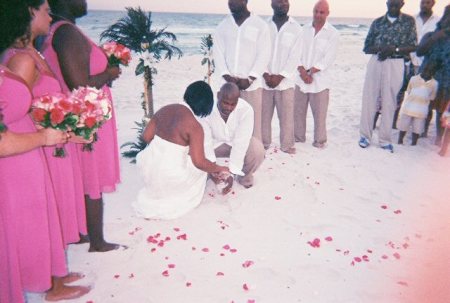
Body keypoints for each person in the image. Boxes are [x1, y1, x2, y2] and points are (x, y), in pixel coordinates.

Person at [2, 0, 89, 248]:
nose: (50, 17)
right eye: (45, 11)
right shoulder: (22, 61)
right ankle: (51, 280)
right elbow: (16, 110)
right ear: (30, 12)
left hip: (50, 141)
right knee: (40, 213)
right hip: (38, 146)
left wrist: (72, 128)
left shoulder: (33, 53)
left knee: (52, 211)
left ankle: (56, 273)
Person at [42, 0, 122, 252]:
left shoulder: (59, 30)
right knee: (91, 175)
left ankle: (81, 232)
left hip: (78, 115)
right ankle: (96, 241)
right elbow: (79, 83)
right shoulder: (66, 32)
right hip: (85, 117)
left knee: (83, 175)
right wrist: (109, 73)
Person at [133, 81, 229, 219]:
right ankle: (173, 196)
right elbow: (199, 162)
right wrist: (219, 168)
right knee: (201, 169)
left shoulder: (164, 109)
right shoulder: (194, 126)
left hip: (147, 168)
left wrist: (165, 147)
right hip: (170, 177)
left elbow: (146, 137)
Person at [358, 0, 416, 153]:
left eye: (397, 3)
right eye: (391, 3)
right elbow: (366, 47)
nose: (394, 5)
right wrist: (380, 48)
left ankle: (384, 140)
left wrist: (394, 49)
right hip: (376, 61)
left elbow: (413, 45)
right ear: (387, 3)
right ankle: (365, 136)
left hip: (396, 63)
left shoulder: (409, 21)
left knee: (390, 101)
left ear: (402, 4)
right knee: (369, 98)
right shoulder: (377, 22)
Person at [213, 0, 271, 141]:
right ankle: (229, 147)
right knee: (225, 119)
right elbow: (218, 53)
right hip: (226, 83)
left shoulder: (260, 25)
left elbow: (264, 53)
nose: (231, 2)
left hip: (251, 85)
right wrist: (227, 76)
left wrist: (250, 78)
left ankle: (253, 150)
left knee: (252, 121)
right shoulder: (223, 26)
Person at [201, 82, 265, 190]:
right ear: (218, 96)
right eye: (225, 103)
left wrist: (231, 172)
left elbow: (241, 141)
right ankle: (207, 176)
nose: (229, 108)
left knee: (257, 149)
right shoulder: (207, 108)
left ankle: (243, 177)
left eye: (233, 104)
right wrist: (213, 169)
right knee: (193, 148)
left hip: (234, 143)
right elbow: (205, 141)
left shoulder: (246, 109)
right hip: (214, 144)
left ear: (238, 100)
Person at [293, 0, 339, 149]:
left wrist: (311, 72)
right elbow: (296, 53)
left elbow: (328, 58)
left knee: (319, 115)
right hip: (301, 78)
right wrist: (302, 72)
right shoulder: (303, 30)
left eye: (321, 12)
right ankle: (299, 138)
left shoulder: (333, 33)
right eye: (316, 11)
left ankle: (319, 141)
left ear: (327, 14)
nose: (318, 15)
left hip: (320, 80)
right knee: (298, 112)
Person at [261, 0, 301, 154]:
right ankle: (264, 143)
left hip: (285, 82)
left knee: (286, 117)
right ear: (272, 4)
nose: (284, 3)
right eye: (280, 1)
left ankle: (287, 145)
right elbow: (260, 51)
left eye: (286, 1)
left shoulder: (296, 28)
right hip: (265, 81)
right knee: (264, 116)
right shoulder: (264, 26)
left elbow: (295, 56)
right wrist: (265, 73)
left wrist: (280, 76)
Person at [416, 5, 450, 147]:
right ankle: (422, 131)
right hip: (429, 74)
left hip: (446, 77)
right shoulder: (432, 34)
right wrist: (435, 37)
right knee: (426, 105)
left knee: (442, 108)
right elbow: (419, 52)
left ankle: (438, 136)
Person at [397, 62, 437, 146]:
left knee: (417, 128)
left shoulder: (435, 84)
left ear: (433, 73)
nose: (427, 73)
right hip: (408, 108)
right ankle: (400, 141)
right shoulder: (413, 79)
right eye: (426, 70)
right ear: (422, 70)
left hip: (421, 110)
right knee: (403, 125)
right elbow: (409, 91)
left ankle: (413, 144)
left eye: (430, 72)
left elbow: (432, 97)